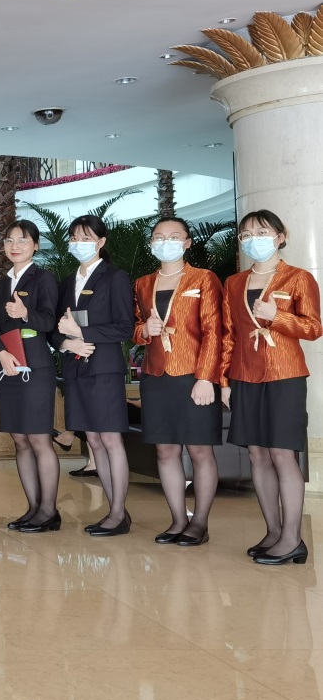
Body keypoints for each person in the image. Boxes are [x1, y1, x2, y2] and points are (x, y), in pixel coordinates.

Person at [221, 209, 322, 565]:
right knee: (257, 454)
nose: (254, 240)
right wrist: (225, 381)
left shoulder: (298, 278)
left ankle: (293, 538)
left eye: (262, 232)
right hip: (245, 375)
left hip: (285, 375)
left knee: (282, 454)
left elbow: (313, 327)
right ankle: (274, 531)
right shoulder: (234, 283)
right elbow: (229, 335)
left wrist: (276, 317)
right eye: (246, 234)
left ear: (281, 236)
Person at [134, 217, 223, 547]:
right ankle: (177, 520)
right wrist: (144, 331)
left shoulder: (204, 278)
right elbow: (135, 326)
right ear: (151, 243)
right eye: (158, 237)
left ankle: (199, 522)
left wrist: (206, 378)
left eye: (174, 237)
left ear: (187, 243)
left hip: (193, 375)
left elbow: (214, 331)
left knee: (199, 450)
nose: (165, 242)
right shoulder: (143, 283)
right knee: (165, 450)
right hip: (156, 375)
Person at [54, 214, 134, 536]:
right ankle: (115, 510)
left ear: (100, 242)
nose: (78, 244)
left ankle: (118, 513)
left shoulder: (115, 278)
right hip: (75, 368)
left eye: (85, 238)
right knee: (94, 440)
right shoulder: (66, 282)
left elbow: (125, 327)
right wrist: (66, 342)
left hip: (104, 369)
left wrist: (83, 333)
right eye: (74, 238)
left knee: (110, 438)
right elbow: (55, 329)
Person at [0, 219, 61, 533]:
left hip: (36, 364)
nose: (15, 246)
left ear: (35, 245)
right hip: (9, 364)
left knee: (39, 438)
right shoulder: (2, 283)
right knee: (19, 439)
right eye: (10, 241)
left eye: (23, 240)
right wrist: (0, 353)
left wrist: (25, 313)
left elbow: (49, 321)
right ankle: (33, 507)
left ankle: (49, 511)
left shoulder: (44, 278)